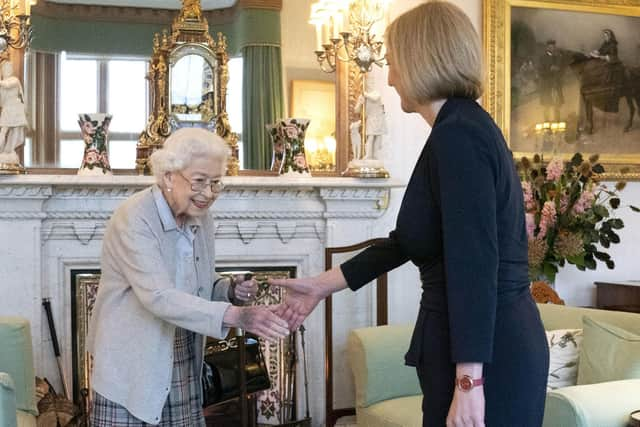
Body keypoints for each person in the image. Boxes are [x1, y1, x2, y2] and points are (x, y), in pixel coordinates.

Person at [271, 2, 549, 426]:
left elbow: (474, 262)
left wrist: (469, 382)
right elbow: (410, 239)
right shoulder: (456, 129)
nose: (391, 73)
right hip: (473, 350)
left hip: (490, 358)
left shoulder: (459, 135)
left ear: (423, 59)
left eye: (395, 60)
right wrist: (320, 286)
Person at [87, 128, 289, 426]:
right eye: (199, 181)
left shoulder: (201, 217)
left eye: (216, 183)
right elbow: (157, 295)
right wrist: (237, 315)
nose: (208, 193)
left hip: (181, 353)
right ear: (168, 175)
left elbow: (196, 281)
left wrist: (228, 290)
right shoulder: (134, 217)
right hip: (131, 361)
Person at [0, 60, 28, 157]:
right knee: (4, 130)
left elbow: (7, 85)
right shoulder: (2, 84)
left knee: (16, 130)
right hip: (7, 109)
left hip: (16, 109)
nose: (7, 70)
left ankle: (9, 150)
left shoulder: (14, 80)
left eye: (9, 68)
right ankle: (3, 150)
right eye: (5, 68)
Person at [537, 39, 564, 121]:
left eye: (553, 46)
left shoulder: (559, 57)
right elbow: (540, 71)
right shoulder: (542, 58)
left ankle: (557, 122)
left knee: (557, 105)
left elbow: (562, 70)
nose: (552, 48)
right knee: (546, 106)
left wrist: (559, 70)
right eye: (550, 47)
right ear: (547, 47)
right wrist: (550, 69)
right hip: (546, 85)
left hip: (556, 85)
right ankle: (547, 124)